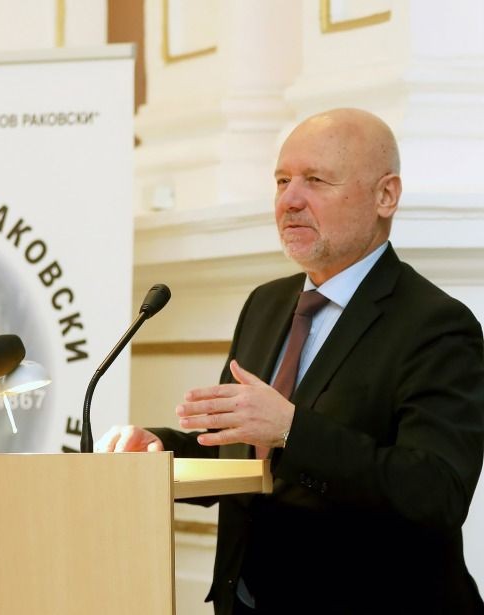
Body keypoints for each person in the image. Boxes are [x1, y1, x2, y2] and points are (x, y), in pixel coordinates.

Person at [96, 108, 484, 613]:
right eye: (282, 181)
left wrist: (291, 429)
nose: (289, 200)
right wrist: (160, 449)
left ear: (386, 195)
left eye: (316, 180)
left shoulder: (435, 324)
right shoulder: (267, 303)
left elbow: (436, 493)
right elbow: (242, 455)